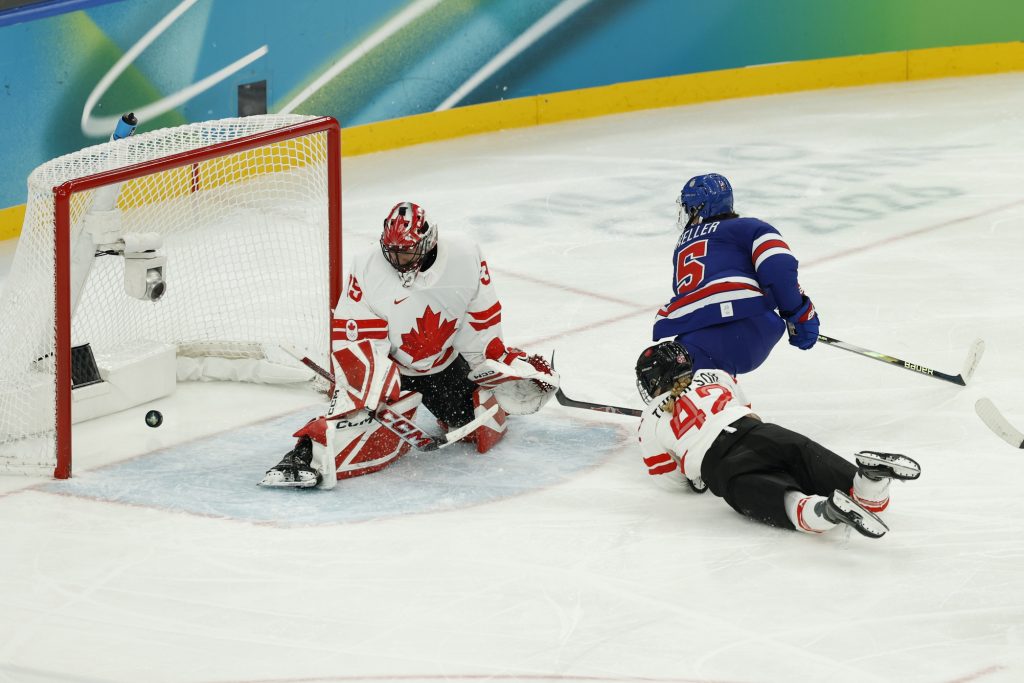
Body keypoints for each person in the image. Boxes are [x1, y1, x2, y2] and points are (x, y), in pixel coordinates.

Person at [260, 201, 559, 489]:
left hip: (445, 366)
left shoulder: (464, 254)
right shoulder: (367, 267)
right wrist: (371, 389)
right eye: (392, 252)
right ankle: (301, 457)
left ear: (428, 242)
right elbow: (357, 338)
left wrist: (499, 367)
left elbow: (481, 321)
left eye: (405, 253)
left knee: (479, 425)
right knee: (355, 423)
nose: (397, 261)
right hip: (393, 371)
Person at [634, 340, 920, 538]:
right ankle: (870, 481)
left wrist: (695, 481)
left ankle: (826, 511)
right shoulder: (714, 375)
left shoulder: (649, 419)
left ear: (654, 380)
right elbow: (748, 412)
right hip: (765, 434)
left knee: (785, 502)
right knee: (822, 468)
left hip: (724, 465)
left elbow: (669, 480)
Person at [652, 173, 819, 376]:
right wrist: (798, 314)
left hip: (698, 334)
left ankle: (712, 399)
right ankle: (723, 397)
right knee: (710, 381)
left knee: (667, 372)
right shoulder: (750, 227)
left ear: (700, 208)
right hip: (749, 327)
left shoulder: (682, 246)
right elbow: (778, 268)